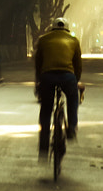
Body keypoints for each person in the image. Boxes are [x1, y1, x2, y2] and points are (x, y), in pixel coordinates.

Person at [33, 16, 83, 154]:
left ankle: (43, 144)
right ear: (67, 28)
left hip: (47, 77)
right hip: (68, 77)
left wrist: (38, 81)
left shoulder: (43, 39)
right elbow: (78, 65)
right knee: (73, 98)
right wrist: (76, 81)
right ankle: (72, 127)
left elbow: (38, 63)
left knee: (46, 109)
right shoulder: (74, 40)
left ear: (52, 27)